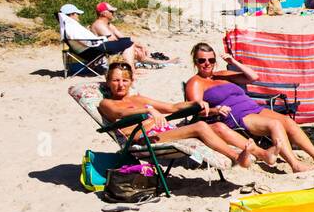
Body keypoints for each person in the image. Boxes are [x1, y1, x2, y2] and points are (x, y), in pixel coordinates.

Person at [183, 43, 314, 173]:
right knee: (275, 125)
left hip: (253, 108)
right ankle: (295, 165)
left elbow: (253, 77)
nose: (207, 64)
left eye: (211, 60)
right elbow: (195, 109)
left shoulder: (221, 75)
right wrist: (215, 110)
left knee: (287, 120)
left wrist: (234, 62)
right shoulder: (195, 83)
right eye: (202, 61)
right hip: (235, 116)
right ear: (195, 62)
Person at [99, 61, 262, 169]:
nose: (120, 85)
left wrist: (196, 103)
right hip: (142, 139)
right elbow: (120, 113)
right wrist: (148, 110)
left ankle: (260, 152)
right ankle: (236, 157)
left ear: (131, 82)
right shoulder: (107, 103)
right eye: (115, 80)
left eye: (124, 81)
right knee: (199, 126)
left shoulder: (137, 98)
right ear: (108, 81)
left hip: (164, 131)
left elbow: (171, 107)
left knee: (218, 126)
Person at [59, 3, 133, 67]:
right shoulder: (72, 27)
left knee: (126, 41)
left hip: (89, 49)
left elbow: (84, 40)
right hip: (92, 51)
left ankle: (128, 66)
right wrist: (103, 39)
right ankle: (131, 69)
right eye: (77, 14)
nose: (79, 16)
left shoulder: (69, 26)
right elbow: (86, 41)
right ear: (71, 14)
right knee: (128, 43)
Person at [91, 2, 163, 66]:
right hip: (104, 53)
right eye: (111, 11)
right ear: (103, 13)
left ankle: (159, 62)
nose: (113, 13)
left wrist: (140, 45)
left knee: (133, 45)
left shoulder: (108, 24)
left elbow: (122, 37)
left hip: (110, 49)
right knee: (133, 49)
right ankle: (158, 63)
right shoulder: (99, 25)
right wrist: (133, 46)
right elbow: (112, 41)